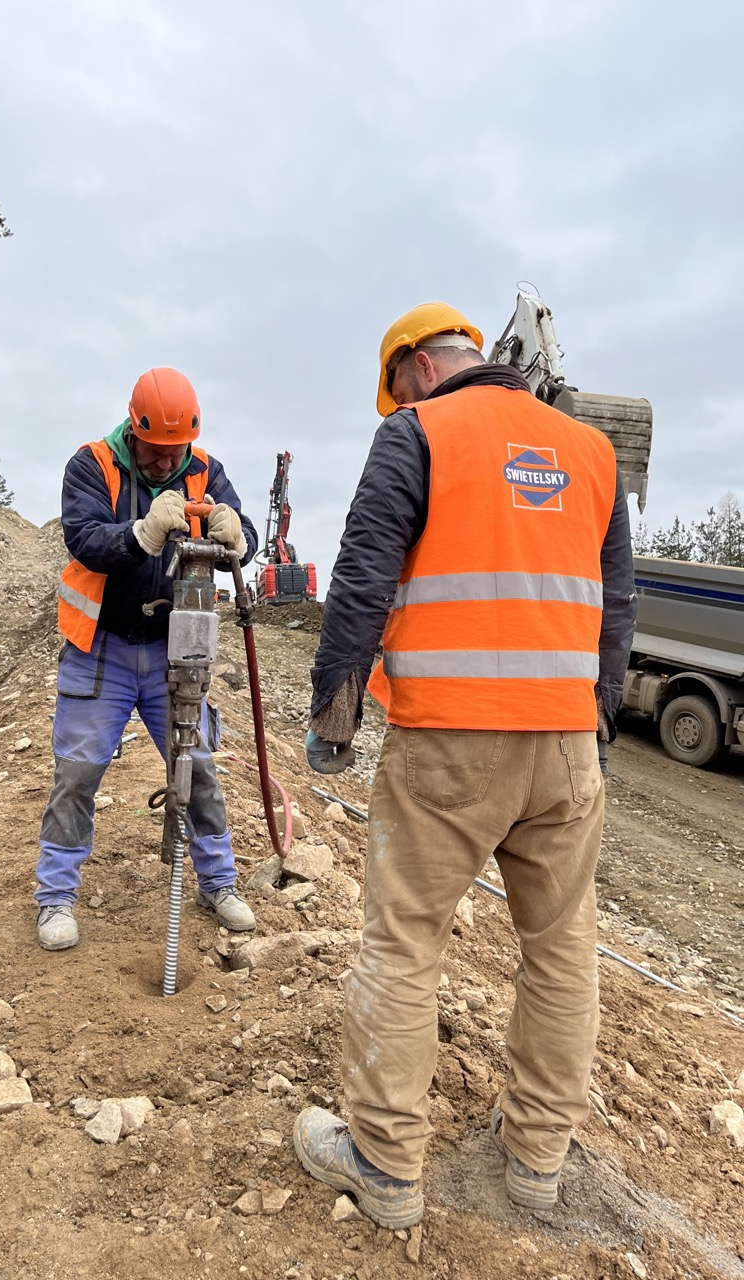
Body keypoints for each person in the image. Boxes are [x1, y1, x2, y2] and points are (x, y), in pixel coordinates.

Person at [293, 303, 636, 1227]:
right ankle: (536, 1164)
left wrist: (335, 715)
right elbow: (617, 605)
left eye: (393, 389)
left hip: (450, 742)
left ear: (416, 369)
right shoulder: (591, 452)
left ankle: (384, 1166)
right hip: (564, 749)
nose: (393, 402)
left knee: (403, 942)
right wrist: (594, 720)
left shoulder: (417, 433)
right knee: (562, 949)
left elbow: (364, 574)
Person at [35, 367, 259, 950]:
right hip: (102, 650)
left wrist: (240, 533)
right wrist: (141, 533)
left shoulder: (205, 470)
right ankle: (55, 896)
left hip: (174, 651)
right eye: (155, 452)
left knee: (200, 767)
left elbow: (242, 537)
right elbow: (83, 539)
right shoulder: (91, 465)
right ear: (133, 431)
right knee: (78, 773)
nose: (165, 464)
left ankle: (218, 882)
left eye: (174, 451)